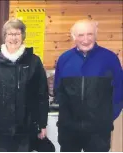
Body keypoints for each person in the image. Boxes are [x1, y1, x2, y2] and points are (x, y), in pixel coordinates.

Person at [54, 19, 123, 152]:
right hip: (69, 130)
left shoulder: (109, 58)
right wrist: (66, 118)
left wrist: (107, 117)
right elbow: (59, 90)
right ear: (74, 37)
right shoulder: (64, 59)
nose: (85, 39)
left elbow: (119, 91)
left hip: (98, 131)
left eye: (89, 34)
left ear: (95, 35)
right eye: (80, 35)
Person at [0, 18, 49, 152]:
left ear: (23, 36)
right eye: (10, 34)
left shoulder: (34, 62)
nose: (13, 38)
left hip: (26, 127)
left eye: (17, 34)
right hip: (2, 127)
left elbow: (42, 95)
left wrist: (42, 123)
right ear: (4, 36)